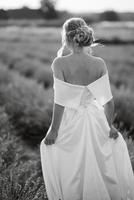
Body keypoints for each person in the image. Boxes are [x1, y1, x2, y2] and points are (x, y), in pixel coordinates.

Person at [40, 17, 134, 200]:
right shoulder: (99, 63)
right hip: (95, 119)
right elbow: (108, 101)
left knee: (71, 168)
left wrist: (54, 130)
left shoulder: (59, 64)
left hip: (71, 121)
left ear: (66, 38)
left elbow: (60, 101)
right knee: (102, 166)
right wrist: (110, 126)